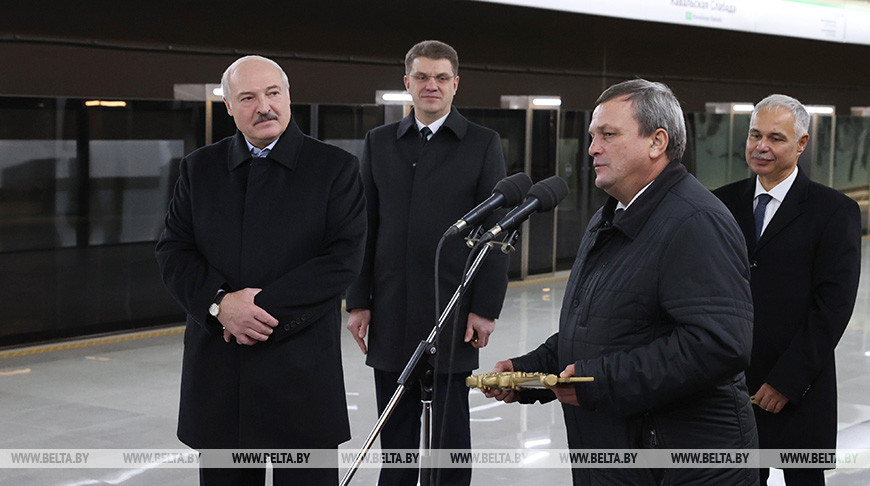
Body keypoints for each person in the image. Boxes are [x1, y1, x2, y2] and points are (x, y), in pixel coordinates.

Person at [483, 79, 759, 485]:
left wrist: (602, 381)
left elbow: (720, 345)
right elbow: (605, 328)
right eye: (593, 136)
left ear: (657, 142)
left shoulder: (695, 222)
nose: (593, 148)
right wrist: (532, 372)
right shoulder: (611, 216)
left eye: (608, 135)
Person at [155, 55, 366, 485]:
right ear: (229, 107)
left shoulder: (334, 169)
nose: (263, 106)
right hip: (221, 370)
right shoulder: (199, 169)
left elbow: (341, 259)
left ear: (289, 97)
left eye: (273, 93)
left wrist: (254, 313)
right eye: (247, 97)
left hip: (302, 370)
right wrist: (220, 305)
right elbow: (174, 251)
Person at [345, 40, 509, 486]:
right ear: (407, 84)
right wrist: (358, 301)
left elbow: (496, 232)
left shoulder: (481, 144)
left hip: (452, 309)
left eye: (441, 78)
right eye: (421, 77)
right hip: (392, 309)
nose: (431, 85)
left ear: (456, 85)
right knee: (394, 436)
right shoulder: (379, 143)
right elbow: (365, 227)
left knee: (448, 437)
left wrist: (486, 308)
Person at [714, 94, 861, 485]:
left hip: (798, 385)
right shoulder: (721, 204)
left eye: (776, 138)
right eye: (755, 135)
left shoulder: (833, 212)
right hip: (731, 382)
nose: (761, 147)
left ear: (801, 144)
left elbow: (832, 307)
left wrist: (787, 381)